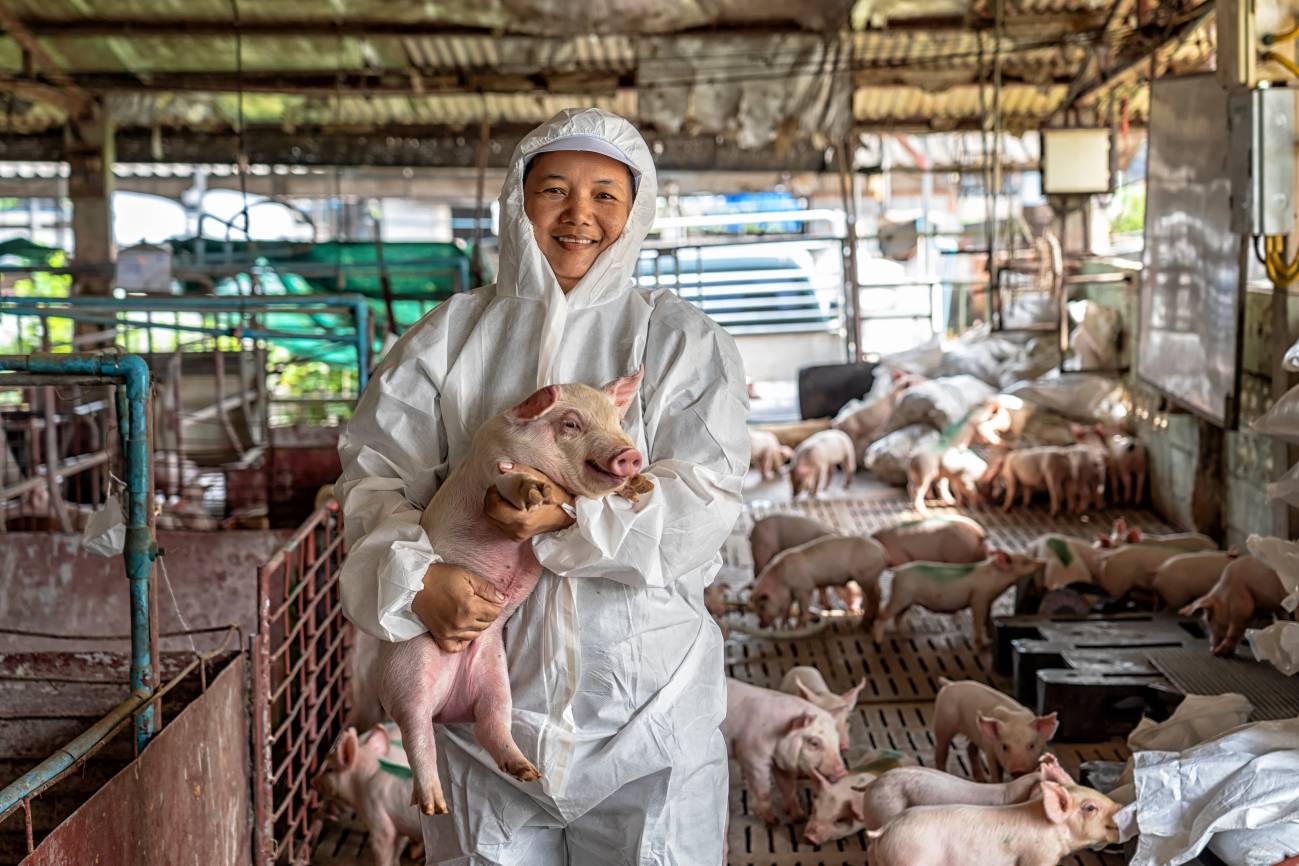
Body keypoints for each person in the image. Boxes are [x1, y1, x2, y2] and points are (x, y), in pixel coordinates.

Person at [336, 107, 750, 865]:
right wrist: (415, 579)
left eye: (604, 196)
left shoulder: (680, 343)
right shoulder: (447, 339)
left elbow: (705, 502)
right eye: (553, 189)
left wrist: (565, 524)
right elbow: (372, 482)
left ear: (635, 212)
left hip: (645, 713)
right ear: (515, 203)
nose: (578, 215)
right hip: (483, 716)